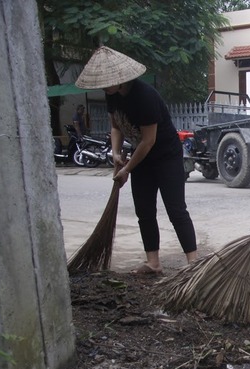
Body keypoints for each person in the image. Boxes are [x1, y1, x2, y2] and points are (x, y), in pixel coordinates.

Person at [75, 46, 197, 274]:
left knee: (176, 210)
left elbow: (148, 141)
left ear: (120, 79)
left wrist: (127, 169)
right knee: (144, 210)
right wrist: (116, 153)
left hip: (165, 156)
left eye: (106, 82)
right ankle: (153, 262)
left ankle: (193, 263)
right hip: (142, 159)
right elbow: (116, 125)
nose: (104, 87)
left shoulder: (144, 97)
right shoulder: (112, 95)